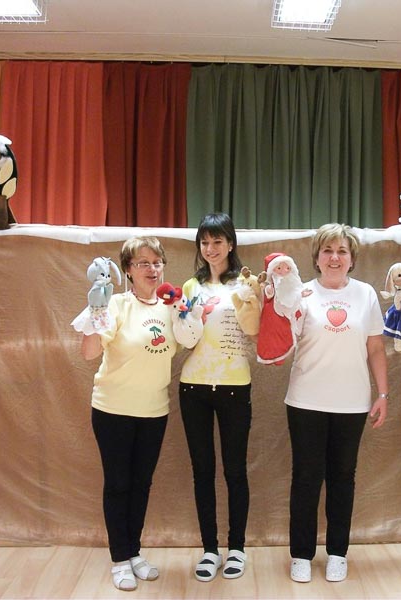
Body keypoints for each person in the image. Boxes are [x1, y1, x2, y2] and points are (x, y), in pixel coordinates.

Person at [284, 223, 389, 584]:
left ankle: (337, 553)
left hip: (352, 403)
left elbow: (375, 347)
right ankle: (301, 554)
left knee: (343, 478)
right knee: (306, 477)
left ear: (351, 259)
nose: (334, 257)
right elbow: (282, 344)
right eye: (327, 251)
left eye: (342, 251)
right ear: (316, 258)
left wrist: (383, 394)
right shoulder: (300, 294)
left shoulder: (366, 295)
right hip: (305, 401)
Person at [76, 236, 182, 592]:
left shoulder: (170, 305)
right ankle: (120, 559)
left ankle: (134, 552)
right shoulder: (116, 304)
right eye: (142, 263)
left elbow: (189, 338)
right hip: (113, 410)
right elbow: (89, 353)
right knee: (118, 484)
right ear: (127, 270)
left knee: (142, 484)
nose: (152, 269)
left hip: (154, 411)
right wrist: (95, 311)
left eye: (157, 262)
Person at [179, 213, 253, 582]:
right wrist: (185, 317)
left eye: (217, 241)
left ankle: (237, 547)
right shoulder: (191, 286)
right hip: (193, 387)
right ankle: (210, 548)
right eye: (205, 242)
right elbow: (185, 338)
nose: (211, 249)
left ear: (231, 244)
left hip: (235, 386)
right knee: (202, 470)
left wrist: (256, 299)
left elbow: (254, 330)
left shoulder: (245, 283)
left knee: (235, 470)